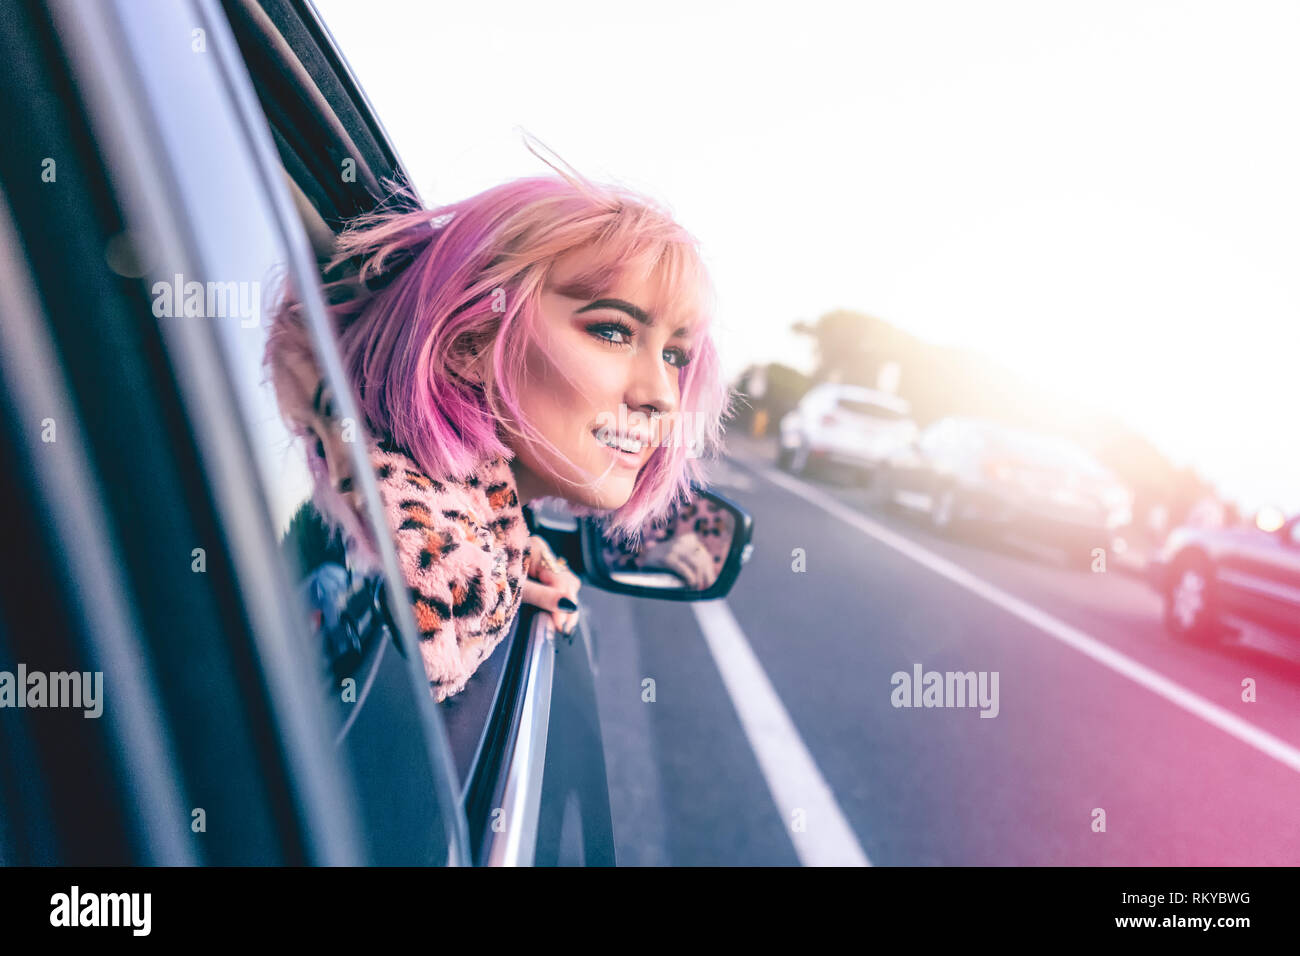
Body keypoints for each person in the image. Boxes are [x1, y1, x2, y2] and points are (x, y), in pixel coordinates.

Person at [265, 155, 731, 702]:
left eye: (676, 355)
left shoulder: (437, 520)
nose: (660, 396)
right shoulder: (417, 553)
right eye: (612, 330)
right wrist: (493, 588)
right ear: (470, 345)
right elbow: (436, 613)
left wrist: (513, 555)